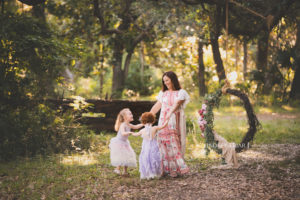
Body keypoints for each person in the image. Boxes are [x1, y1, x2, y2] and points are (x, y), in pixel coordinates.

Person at [150, 71, 190, 177]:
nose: (166, 83)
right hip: (163, 120)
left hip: (173, 120)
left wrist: (169, 113)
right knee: (162, 142)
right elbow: (157, 106)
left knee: (173, 143)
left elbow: (176, 105)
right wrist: (148, 116)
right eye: (164, 81)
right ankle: (164, 168)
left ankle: (176, 169)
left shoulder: (181, 92)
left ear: (173, 79)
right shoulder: (163, 93)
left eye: (167, 80)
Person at [132, 112, 169, 179]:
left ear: (143, 121)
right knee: (155, 157)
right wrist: (167, 120)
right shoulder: (154, 128)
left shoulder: (142, 130)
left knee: (146, 157)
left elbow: (136, 134)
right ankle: (156, 172)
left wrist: (130, 132)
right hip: (153, 144)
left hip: (146, 146)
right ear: (153, 120)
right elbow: (163, 126)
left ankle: (148, 173)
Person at [109, 108, 144, 176]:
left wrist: (143, 124)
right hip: (119, 142)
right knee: (120, 156)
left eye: (131, 113)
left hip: (125, 143)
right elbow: (123, 133)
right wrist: (129, 132)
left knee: (127, 156)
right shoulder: (123, 124)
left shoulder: (129, 124)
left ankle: (125, 171)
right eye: (130, 114)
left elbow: (136, 127)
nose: (132, 115)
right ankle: (117, 168)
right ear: (125, 117)